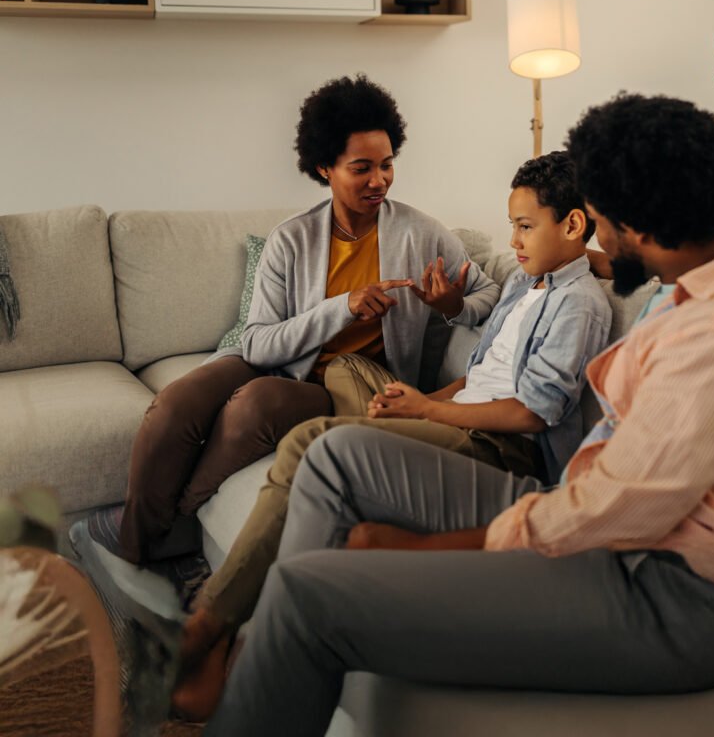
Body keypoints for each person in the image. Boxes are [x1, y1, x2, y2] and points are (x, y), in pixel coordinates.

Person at [202, 94, 714, 737]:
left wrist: (425, 551)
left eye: (602, 220)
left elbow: (610, 513)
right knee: (333, 453)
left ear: (641, 220)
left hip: (664, 595)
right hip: (614, 543)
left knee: (311, 594)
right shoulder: (706, 281)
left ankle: (266, 655)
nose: (598, 237)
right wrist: (561, 259)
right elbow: (592, 270)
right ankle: (267, 662)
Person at [172, 150, 612, 719]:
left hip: (503, 453)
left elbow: (533, 411)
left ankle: (214, 624)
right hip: (461, 419)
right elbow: (478, 379)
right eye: (512, 226)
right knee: (344, 371)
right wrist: (429, 397)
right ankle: (235, 624)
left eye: (525, 226)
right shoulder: (524, 287)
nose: (515, 240)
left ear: (572, 224)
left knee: (315, 444)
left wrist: (427, 414)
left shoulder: (578, 303)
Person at [86, 74, 499, 566]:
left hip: (341, 384)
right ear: (324, 167)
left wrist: (452, 306)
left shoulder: (422, 234)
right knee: (173, 406)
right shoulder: (291, 239)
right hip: (277, 357)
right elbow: (258, 344)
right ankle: (140, 543)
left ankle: (150, 534)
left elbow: (487, 291)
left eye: (387, 165)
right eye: (361, 168)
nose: (379, 181)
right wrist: (341, 307)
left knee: (254, 405)